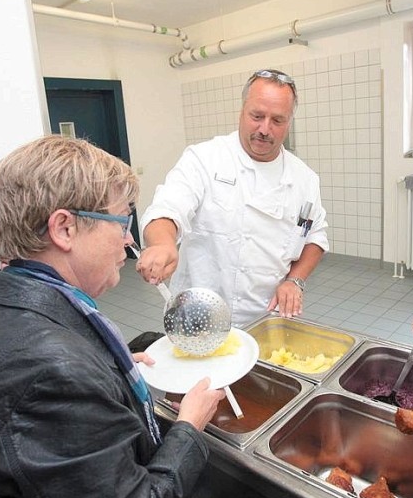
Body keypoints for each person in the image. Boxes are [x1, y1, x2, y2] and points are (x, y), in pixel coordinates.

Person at [0, 135, 225, 498]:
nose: (129, 242)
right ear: (64, 228)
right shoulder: (51, 372)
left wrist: (106, 364)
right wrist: (188, 430)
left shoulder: (8, 303)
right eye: (122, 223)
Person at [137, 69, 329, 326]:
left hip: (266, 316)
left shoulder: (304, 179)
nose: (265, 129)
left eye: (277, 120)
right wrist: (162, 244)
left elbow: (315, 237)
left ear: (289, 122)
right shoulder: (204, 158)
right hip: (198, 313)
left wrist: (295, 280)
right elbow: (168, 209)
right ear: (242, 111)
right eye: (257, 116)